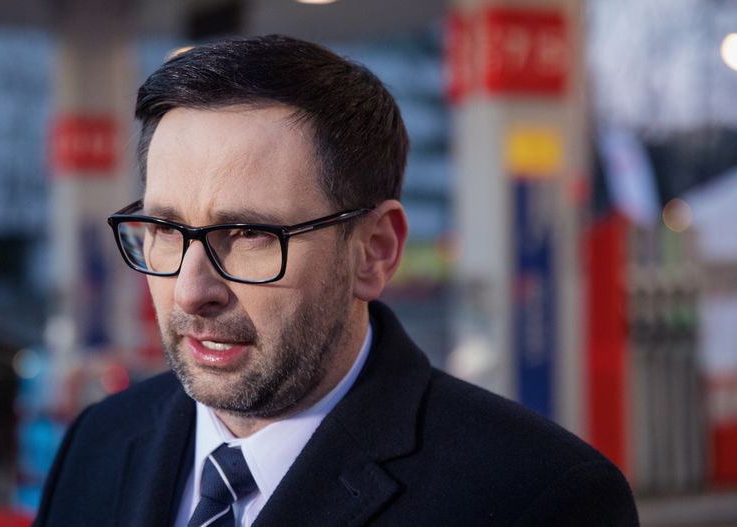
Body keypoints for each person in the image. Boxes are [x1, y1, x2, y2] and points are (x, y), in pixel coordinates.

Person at [34, 35, 639, 526]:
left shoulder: (537, 499)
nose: (192, 291)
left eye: (250, 234)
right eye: (166, 229)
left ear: (374, 251)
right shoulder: (99, 442)